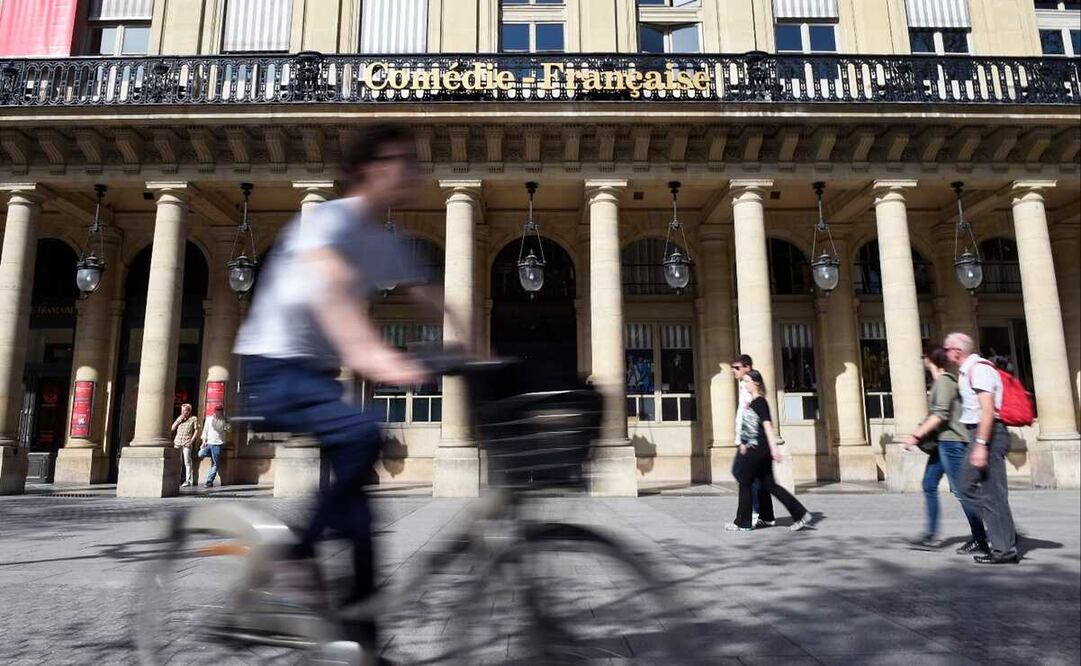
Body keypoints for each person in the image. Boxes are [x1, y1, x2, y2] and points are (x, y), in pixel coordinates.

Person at [233, 123, 464, 651]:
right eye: (400, 160)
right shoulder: (329, 222)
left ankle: (363, 640)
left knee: (360, 516)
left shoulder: (383, 240)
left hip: (312, 375)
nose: (412, 171)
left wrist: (480, 352)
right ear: (370, 170)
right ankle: (291, 570)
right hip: (273, 367)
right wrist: (372, 355)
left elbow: (432, 297)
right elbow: (331, 292)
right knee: (362, 435)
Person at [944, 332, 1018, 564]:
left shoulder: (980, 369)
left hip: (989, 433)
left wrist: (981, 445)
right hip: (982, 432)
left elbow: (987, 410)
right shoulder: (968, 371)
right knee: (983, 491)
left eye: (947, 349)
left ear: (957, 351)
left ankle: (1003, 546)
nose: (945, 353)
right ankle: (1003, 539)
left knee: (972, 488)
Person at [903, 347, 987, 550]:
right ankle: (931, 535)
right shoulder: (942, 382)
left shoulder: (944, 382)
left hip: (952, 442)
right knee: (929, 483)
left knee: (961, 491)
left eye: (924, 356)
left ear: (931, 359)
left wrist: (916, 435)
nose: (923, 359)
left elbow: (940, 414)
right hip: (943, 442)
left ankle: (982, 537)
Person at [726, 370, 813, 532]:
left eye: (747, 380)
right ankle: (801, 514)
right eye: (743, 381)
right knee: (771, 486)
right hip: (757, 448)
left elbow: (767, 425)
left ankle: (742, 522)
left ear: (756, 383)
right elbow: (753, 428)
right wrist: (744, 443)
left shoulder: (759, 402)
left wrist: (774, 448)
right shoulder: (753, 403)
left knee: (744, 480)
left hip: (758, 450)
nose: (744, 384)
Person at [730, 354, 762, 524]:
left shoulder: (748, 387)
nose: (733, 371)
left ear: (747, 368)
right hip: (746, 439)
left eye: (737, 368)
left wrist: (744, 440)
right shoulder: (743, 386)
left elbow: (750, 415)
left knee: (742, 474)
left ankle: (755, 512)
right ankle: (762, 513)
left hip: (749, 440)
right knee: (753, 478)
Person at [199, 406, 229, 488]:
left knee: (215, 464)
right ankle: (214, 456)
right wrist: (203, 441)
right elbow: (205, 430)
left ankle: (209, 481)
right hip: (208, 443)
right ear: (214, 411)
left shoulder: (223, 420)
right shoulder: (209, 419)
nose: (219, 412)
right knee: (200, 454)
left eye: (220, 410)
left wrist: (226, 422)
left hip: (218, 444)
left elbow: (229, 429)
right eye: (217, 410)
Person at [170, 403, 199, 488]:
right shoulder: (179, 418)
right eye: (181, 410)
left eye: (184, 410)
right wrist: (178, 420)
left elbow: (196, 430)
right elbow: (172, 429)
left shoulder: (193, 418)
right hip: (177, 442)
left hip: (186, 442)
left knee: (187, 461)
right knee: (178, 461)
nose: (182, 412)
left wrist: (192, 440)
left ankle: (188, 480)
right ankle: (177, 479)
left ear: (189, 411)